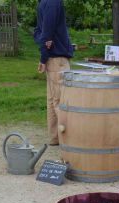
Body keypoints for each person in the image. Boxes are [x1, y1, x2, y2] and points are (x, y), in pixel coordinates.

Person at [33, 0, 73, 146]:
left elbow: (39, 33)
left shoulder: (44, 2)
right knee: (61, 101)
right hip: (57, 59)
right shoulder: (52, 2)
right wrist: (43, 56)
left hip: (53, 57)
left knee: (52, 100)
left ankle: (55, 138)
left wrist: (44, 41)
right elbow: (42, 34)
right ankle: (68, 140)